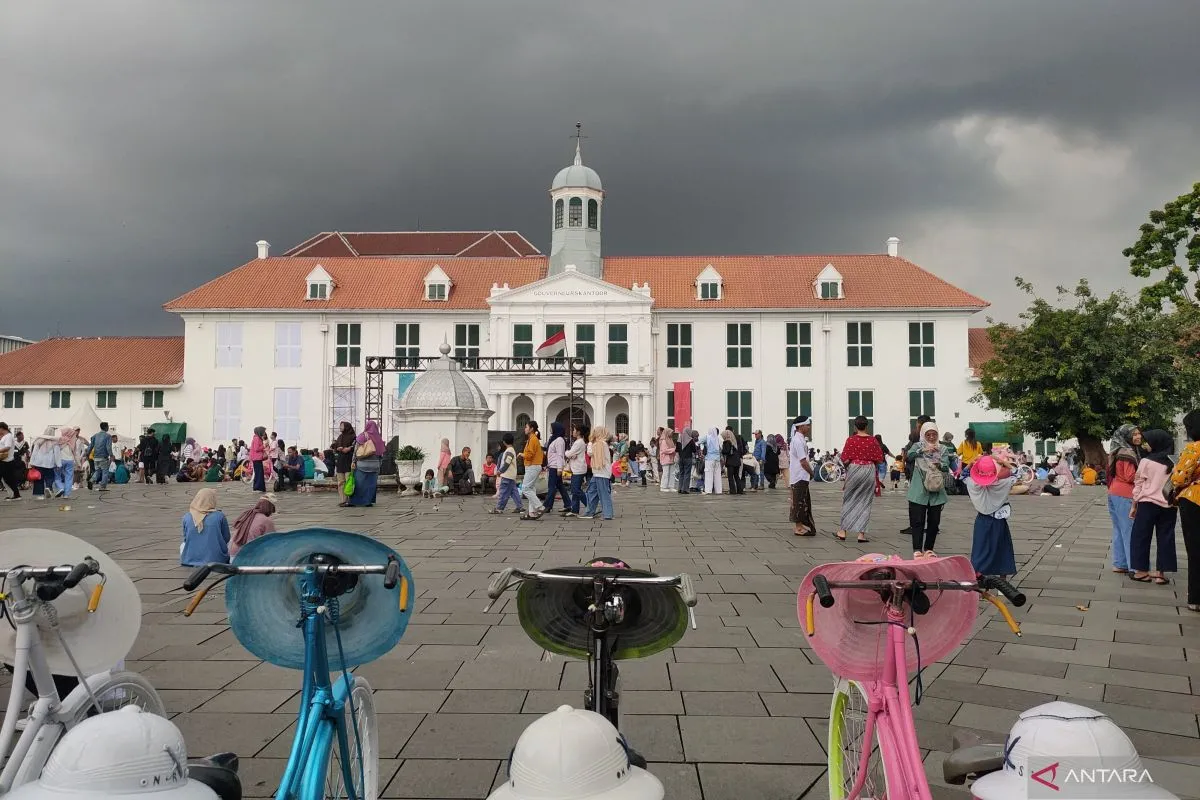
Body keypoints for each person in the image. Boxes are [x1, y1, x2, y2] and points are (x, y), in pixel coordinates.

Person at [1129, 429, 1177, 586]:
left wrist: (1134, 504)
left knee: (1140, 537)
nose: (1146, 445)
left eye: (1148, 442)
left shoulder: (1146, 462)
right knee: (1166, 538)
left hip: (1147, 503)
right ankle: (1160, 574)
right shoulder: (1175, 462)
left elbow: (1138, 484)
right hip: (1168, 505)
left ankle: (1141, 572)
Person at [966, 454, 1018, 578]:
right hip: (998, 520)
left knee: (980, 548)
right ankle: (1003, 577)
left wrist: (971, 463)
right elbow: (1017, 473)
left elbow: (962, 475)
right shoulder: (1004, 483)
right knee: (1002, 548)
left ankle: (977, 574)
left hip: (982, 520)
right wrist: (1002, 462)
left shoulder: (972, 483)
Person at [906, 420, 950, 558]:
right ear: (923, 435)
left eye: (934, 434)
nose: (931, 437)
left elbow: (946, 467)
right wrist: (922, 450)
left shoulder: (942, 448)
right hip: (918, 489)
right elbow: (909, 457)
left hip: (936, 489)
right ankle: (917, 549)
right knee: (917, 521)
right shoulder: (917, 446)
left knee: (934, 522)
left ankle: (929, 548)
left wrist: (939, 463)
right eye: (928, 434)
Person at [836, 416, 885, 543]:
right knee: (865, 501)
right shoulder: (873, 440)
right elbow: (880, 459)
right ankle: (861, 534)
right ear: (866, 426)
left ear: (855, 426)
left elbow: (845, 458)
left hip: (854, 469)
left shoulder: (851, 439)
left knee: (848, 499)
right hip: (869, 470)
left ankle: (843, 531)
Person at [1170, 410, 1200, 612]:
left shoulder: (1194, 448)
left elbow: (1179, 478)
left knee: (1196, 549)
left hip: (1194, 501)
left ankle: (1196, 598)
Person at [1106, 424, 1142, 575]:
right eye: (1134, 434)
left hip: (1114, 492)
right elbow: (1130, 476)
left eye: (1139, 433)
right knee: (1130, 531)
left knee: (1119, 530)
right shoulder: (1127, 453)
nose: (1138, 436)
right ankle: (1134, 566)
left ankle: (1120, 563)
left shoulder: (1118, 449)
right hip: (1125, 494)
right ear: (1126, 437)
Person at [180, 488, 231, 567]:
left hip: (189, 559)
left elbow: (186, 538)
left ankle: (192, 557)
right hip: (216, 559)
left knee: (183, 545)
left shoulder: (187, 516)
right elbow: (226, 537)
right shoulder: (219, 516)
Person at [345, 420, 384, 507]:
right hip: (375, 466)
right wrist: (379, 464)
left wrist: (353, 461)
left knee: (359, 484)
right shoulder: (378, 438)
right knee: (371, 485)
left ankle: (354, 501)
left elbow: (356, 450)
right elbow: (381, 454)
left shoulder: (362, 436)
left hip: (362, 464)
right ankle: (368, 502)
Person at [789, 416, 816, 536]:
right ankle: (798, 527)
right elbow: (803, 461)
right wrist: (811, 472)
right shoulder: (798, 441)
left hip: (801, 475)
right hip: (799, 475)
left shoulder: (800, 439)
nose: (809, 427)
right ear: (801, 426)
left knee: (802, 501)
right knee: (799, 502)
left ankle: (801, 525)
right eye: (807, 425)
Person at [583, 426, 614, 520]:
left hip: (602, 472)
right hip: (597, 472)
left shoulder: (600, 443)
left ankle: (608, 514)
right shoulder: (599, 443)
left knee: (603, 494)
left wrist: (589, 443)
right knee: (591, 492)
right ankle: (590, 511)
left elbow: (590, 453)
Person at [489, 433, 523, 514]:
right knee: (514, 492)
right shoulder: (511, 450)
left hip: (507, 475)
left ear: (504, 442)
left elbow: (507, 463)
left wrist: (500, 471)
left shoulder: (509, 451)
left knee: (503, 492)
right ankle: (519, 506)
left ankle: (499, 508)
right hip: (511, 476)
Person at [519, 420, 545, 519]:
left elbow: (529, 455)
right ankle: (532, 513)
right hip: (533, 465)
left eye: (526, 427)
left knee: (525, 488)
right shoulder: (532, 439)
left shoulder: (533, 439)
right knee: (531, 488)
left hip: (532, 466)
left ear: (531, 429)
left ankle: (540, 507)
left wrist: (522, 454)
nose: (525, 429)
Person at [331, 421, 356, 502]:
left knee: (349, 480)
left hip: (349, 460)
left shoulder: (353, 436)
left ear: (347, 427)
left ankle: (350, 500)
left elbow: (356, 446)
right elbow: (335, 447)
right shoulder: (340, 437)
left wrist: (349, 449)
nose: (340, 427)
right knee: (341, 482)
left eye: (342, 425)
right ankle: (343, 500)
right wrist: (338, 448)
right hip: (341, 461)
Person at [87, 422, 114, 492]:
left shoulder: (95, 435)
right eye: (108, 426)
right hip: (103, 457)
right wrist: (111, 455)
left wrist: (87, 454)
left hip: (96, 457)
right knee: (105, 471)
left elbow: (90, 446)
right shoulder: (108, 436)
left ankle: (91, 480)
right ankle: (103, 487)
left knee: (97, 471)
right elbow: (108, 447)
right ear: (106, 427)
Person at [0, 422, 19, 500]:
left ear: (2, 428)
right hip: (4, 460)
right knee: (7, 479)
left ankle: (16, 494)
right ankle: (14, 494)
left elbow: (7, 447)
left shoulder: (8, 436)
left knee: (8, 479)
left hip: (7, 461)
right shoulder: (5, 436)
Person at [249, 426, 268, 492]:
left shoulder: (257, 438)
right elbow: (256, 448)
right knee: (259, 473)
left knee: (259, 473)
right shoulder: (257, 438)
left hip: (257, 458)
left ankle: (258, 487)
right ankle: (258, 487)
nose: (264, 432)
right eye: (264, 431)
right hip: (257, 458)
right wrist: (264, 446)